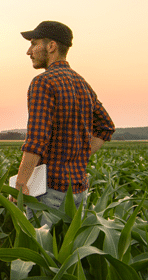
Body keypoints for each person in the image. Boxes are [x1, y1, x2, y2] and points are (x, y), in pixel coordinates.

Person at [13, 21, 115, 212]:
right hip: (78, 191)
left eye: (34, 44)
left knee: (39, 241)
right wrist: (79, 157)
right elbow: (106, 126)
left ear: (51, 46)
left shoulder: (43, 83)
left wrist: (20, 183)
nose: (29, 51)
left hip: (49, 191)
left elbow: (36, 139)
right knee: (71, 242)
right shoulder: (82, 83)